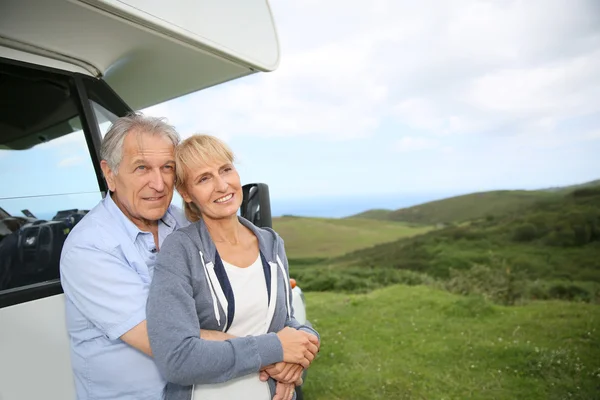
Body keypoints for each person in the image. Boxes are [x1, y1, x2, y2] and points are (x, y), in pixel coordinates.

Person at [146, 134, 320, 400]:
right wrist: (275, 349)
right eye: (204, 179)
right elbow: (177, 359)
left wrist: (302, 349)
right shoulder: (180, 251)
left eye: (226, 170)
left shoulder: (271, 243)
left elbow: (286, 322)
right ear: (186, 193)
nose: (221, 185)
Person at [60, 113, 190, 399]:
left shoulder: (184, 223)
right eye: (142, 168)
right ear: (110, 174)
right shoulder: (89, 247)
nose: (159, 184)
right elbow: (168, 342)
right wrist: (267, 351)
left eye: (167, 168)